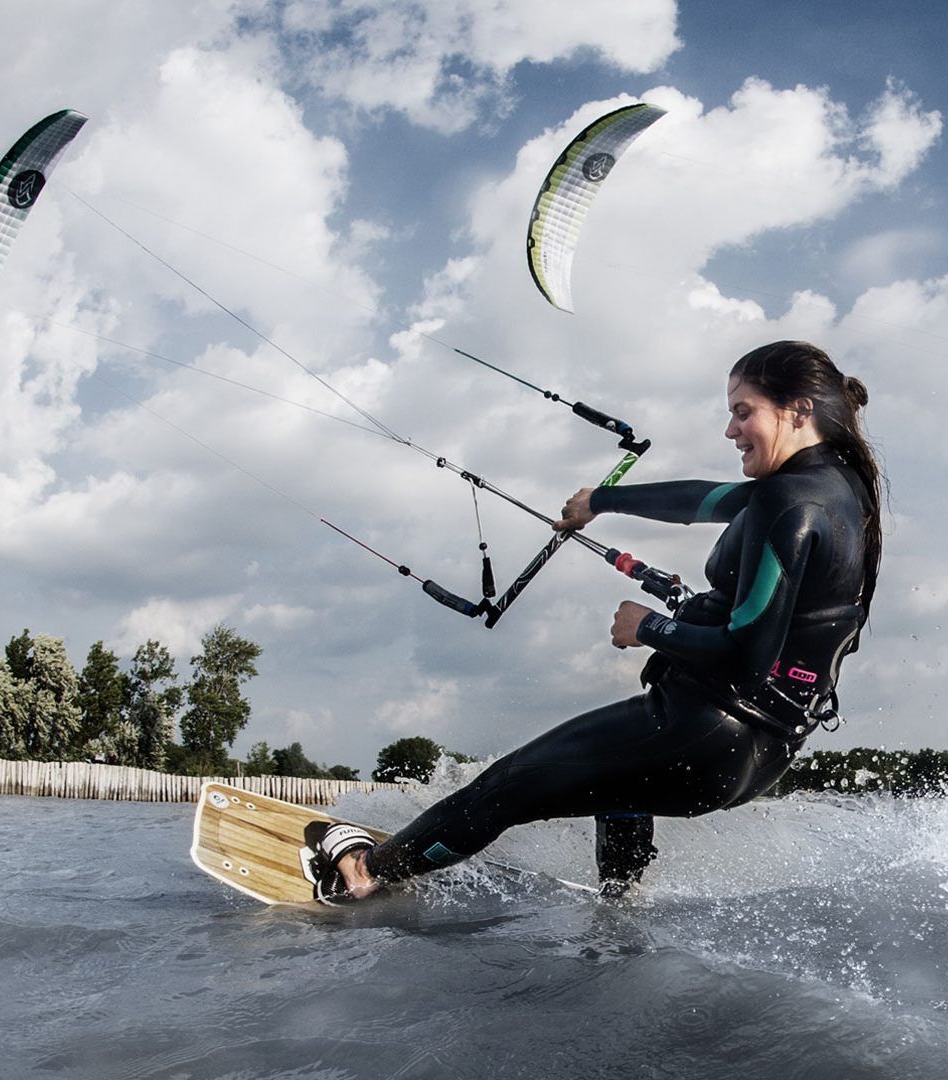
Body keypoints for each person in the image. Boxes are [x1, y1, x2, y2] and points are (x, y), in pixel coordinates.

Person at [318, 340, 883, 902]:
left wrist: (648, 628)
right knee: (620, 786)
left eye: (743, 411)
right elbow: (702, 501)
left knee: (506, 788)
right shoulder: (837, 489)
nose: (731, 431)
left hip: (705, 727)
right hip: (762, 749)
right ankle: (619, 917)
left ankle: (367, 872)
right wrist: (603, 500)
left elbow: (746, 653)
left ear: (799, 409)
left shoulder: (788, 502)